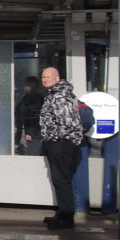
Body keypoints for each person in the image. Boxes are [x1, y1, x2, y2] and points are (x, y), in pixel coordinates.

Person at [39, 67, 83, 230]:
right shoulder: (54, 94)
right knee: (58, 180)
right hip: (57, 143)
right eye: (43, 77)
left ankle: (66, 217)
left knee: (62, 180)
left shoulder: (60, 95)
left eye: (49, 77)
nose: (45, 79)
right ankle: (62, 213)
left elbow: (67, 121)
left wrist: (55, 137)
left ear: (58, 78)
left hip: (61, 143)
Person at [14, 76, 44, 156]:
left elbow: (34, 116)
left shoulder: (35, 99)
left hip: (32, 134)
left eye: (26, 84)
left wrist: (30, 133)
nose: (24, 87)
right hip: (26, 131)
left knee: (31, 154)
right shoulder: (27, 98)